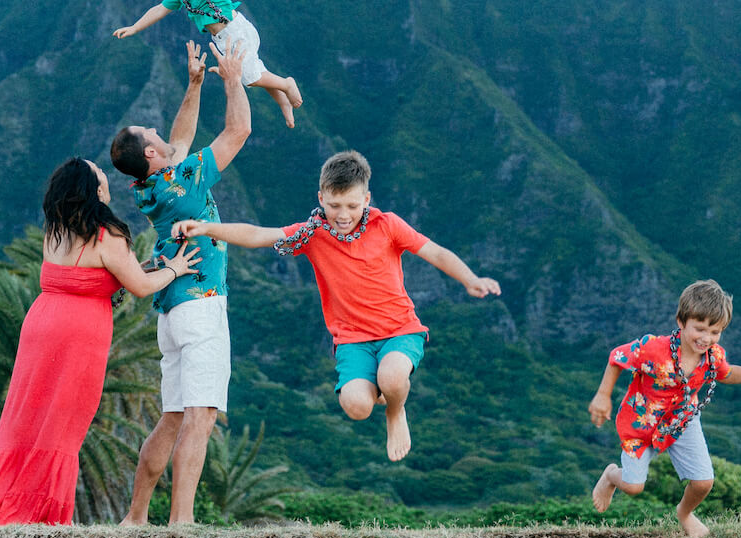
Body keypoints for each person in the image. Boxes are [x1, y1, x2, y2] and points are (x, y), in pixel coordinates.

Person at [172, 150, 500, 462]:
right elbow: (260, 235)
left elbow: (436, 252)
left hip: (399, 330)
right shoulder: (312, 234)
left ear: (367, 200)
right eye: (335, 205)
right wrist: (206, 228)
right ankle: (381, 391)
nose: (343, 215)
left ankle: (395, 409)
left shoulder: (387, 226)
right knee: (357, 406)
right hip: (353, 339)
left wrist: (470, 279)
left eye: (352, 206)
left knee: (393, 377)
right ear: (321, 199)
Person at [0, 157, 201, 526]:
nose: (105, 176)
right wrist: (174, 269)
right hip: (77, 335)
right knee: (62, 426)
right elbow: (142, 287)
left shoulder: (57, 230)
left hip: (42, 325)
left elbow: (92, 275)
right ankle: (39, 515)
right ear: (95, 188)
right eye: (100, 173)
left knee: (24, 419)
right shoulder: (105, 234)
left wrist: (142, 266)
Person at [110, 37, 252, 525]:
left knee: (171, 418)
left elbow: (180, 139)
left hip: (170, 312)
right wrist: (232, 80)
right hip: (201, 305)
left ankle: (135, 517)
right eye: (151, 131)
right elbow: (238, 131)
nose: (158, 128)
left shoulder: (151, 186)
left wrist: (194, 86)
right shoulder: (186, 178)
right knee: (201, 415)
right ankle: (182, 522)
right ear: (152, 152)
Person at [585, 279, 741, 538]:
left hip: (682, 421)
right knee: (634, 487)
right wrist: (603, 395)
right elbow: (617, 357)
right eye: (700, 329)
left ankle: (684, 513)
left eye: (715, 332)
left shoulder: (713, 356)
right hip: (642, 422)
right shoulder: (653, 349)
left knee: (703, 482)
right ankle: (612, 476)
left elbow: (726, 373)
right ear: (681, 322)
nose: (706, 338)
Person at [111, 0, 303, 127]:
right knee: (256, 70)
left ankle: (286, 84)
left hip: (234, 31)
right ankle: (282, 99)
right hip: (222, 38)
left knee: (248, 77)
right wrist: (134, 27)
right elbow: (159, 9)